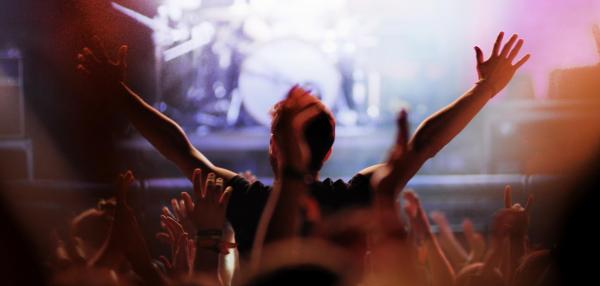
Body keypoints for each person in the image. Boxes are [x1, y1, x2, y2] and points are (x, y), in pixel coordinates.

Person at [76, 32, 530, 252]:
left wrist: (118, 92)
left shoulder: (247, 201)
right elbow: (423, 146)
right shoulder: (354, 196)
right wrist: (483, 91)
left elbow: (180, 149)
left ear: (274, 147)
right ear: (329, 151)